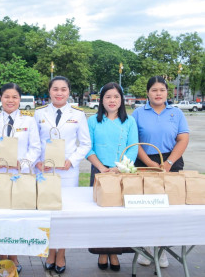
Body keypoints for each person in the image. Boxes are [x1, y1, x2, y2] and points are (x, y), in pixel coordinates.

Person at [0, 83, 41, 274]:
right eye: (7, 96)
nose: (10, 101)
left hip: (19, 177)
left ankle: (14, 259)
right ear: (1, 98)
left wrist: (22, 164)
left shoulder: (29, 121)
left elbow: (36, 148)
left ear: (19, 100)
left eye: (15, 97)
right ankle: (1, 259)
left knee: (17, 219)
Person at [34, 76, 91, 274]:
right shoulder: (38, 113)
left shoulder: (78, 114)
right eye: (55, 89)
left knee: (64, 213)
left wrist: (72, 160)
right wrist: (36, 162)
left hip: (67, 171)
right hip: (44, 170)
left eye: (63, 89)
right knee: (47, 212)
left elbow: (85, 144)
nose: (59, 93)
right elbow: (33, 143)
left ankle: (61, 253)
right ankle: (50, 251)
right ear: (49, 92)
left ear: (69, 92)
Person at [133, 76, 189, 268]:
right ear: (147, 93)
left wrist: (169, 163)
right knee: (146, 207)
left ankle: (162, 250)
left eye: (162, 90)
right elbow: (135, 141)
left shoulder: (176, 113)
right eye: (154, 90)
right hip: (144, 161)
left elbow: (182, 139)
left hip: (171, 162)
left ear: (168, 92)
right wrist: (149, 163)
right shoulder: (138, 113)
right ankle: (147, 249)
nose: (158, 94)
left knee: (168, 209)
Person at [86, 82, 138, 271]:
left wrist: (120, 168)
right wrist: (101, 168)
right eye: (108, 96)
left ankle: (115, 252)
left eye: (116, 96)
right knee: (101, 214)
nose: (112, 100)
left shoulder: (129, 121)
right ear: (101, 100)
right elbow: (88, 147)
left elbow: (133, 147)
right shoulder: (93, 121)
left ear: (121, 99)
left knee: (118, 214)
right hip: (100, 172)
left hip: (122, 172)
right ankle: (101, 251)